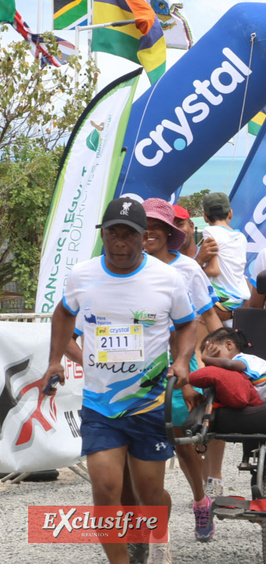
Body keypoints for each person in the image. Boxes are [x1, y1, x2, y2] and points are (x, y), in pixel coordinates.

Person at [41, 198, 196, 563]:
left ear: (145, 238)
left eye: (130, 234)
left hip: (149, 402)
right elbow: (63, 313)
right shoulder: (83, 275)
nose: (121, 242)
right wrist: (55, 360)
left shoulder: (167, 278)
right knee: (106, 489)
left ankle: (157, 538)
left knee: (149, 494)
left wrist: (183, 360)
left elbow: (188, 322)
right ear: (103, 235)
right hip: (100, 404)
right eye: (114, 233)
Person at [143, 197, 223, 543]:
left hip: (179, 364)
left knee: (181, 441)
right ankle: (150, 525)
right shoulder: (126, 266)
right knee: (143, 443)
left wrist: (222, 352)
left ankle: (199, 499)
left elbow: (206, 315)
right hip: (138, 369)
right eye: (142, 227)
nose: (148, 234)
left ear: (169, 232)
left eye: (156, 227)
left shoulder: (187, 269)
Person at [199, 192, 250, 321]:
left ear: (205, 217)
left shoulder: (210, 231)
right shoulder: (241, 237)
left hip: (221, 302)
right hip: (239, 300)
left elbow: (213, 270)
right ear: (230, 214)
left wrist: (194, 267)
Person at [200, 327, 266, 403]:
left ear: (229, 345)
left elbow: (230, 365)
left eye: (214, 356)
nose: (213, 363)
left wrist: (206, 359)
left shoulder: (242, 358)